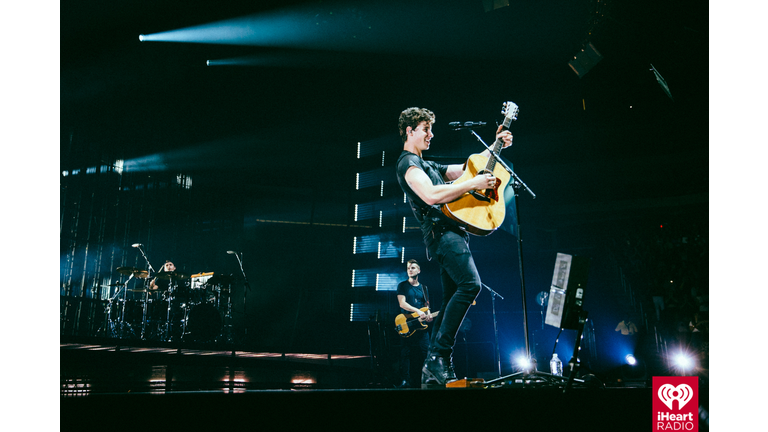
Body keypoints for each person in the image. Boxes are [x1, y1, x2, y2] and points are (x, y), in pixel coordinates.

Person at [395, 107, 512, 387]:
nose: (431, 134)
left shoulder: (428, 165)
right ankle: (438, 356)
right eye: (425, 129)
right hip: (441, 234)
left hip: (452, 232)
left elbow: (467, 169)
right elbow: (433, 195)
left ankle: (432, 367)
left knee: (450, 300)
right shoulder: (408, 164)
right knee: (471, 285)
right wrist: (474, 183)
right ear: (410, 131)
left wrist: (496, 144)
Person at [396, 259, 432, 388]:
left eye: (413, 268)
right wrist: (417, 311)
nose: (410, 270)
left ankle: (425, 379)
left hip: (421, 328)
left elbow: (427, 306)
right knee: (406, 354)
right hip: (407, 324)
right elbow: (402, 303)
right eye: (408, 268)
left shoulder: (424, 288)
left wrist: (428, 316)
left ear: (419, 270)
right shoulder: (402, 286)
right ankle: (405, 380)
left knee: (425, 353)